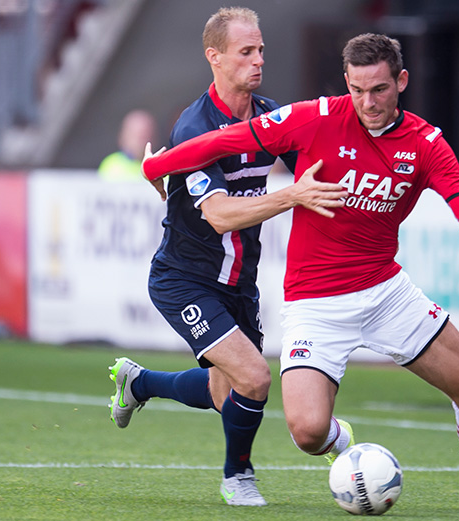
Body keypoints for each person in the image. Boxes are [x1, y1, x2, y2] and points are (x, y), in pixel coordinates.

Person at [141, 33, 459, 510]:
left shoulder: (425, 143)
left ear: (401, 81)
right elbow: (223, 140)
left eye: (378, 89)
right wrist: (159, 164)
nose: (367, 102)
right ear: (346, 83)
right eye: (357, 90)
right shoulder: (313, 118)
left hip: (386, 292)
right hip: (314, 303)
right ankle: (339, 442)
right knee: (309, 433)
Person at [108, 7, 346, 507]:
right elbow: (217, 215)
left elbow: (316, 171)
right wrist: (290, 196)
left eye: (261, 50)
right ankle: (238, 476)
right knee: (255, 378)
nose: (259, 60)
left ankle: (140, 382)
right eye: (246, 52)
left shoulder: (269, 115)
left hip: (240, 281)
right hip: (183, 277)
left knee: (227, 393)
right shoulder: (197, 126)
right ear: (214, 57)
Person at [99, 109, 158, 181]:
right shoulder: (111, 165)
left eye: (145, 134)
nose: (141, 141)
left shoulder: (160, 166)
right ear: (123, 137)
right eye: (135, 135)